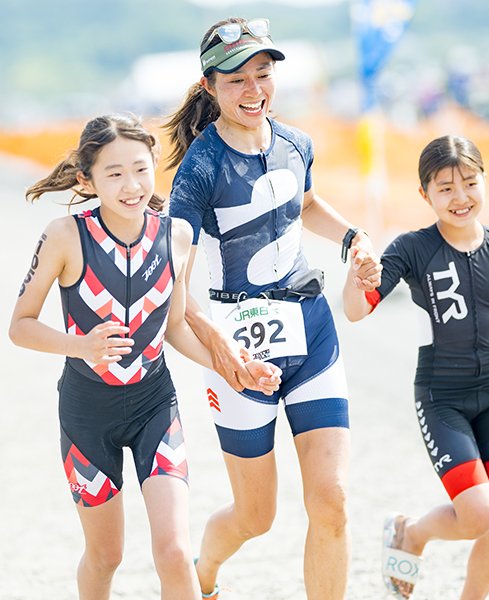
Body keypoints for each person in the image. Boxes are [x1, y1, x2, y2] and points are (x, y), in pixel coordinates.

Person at [8, 114, 283, 600]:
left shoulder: (175, 235)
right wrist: (80, 344)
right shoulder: (65, 236)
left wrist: (235, 369)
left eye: (139, 168)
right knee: (105, 556)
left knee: (174, 552)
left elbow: (174, 325)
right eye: (113, 173)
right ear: (86, 179)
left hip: (155, 404)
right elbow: (20, 326)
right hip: (87, 413)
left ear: (156, 163)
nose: (130, 185)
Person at [163, 17, 381, 600]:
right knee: (257, 517)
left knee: (331, 501)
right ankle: (203, 571)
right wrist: (214, 349)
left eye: (263, 74)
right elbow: (174, 278)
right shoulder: (200, 168)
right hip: (240, 348)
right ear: (209, 86)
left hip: (312, 332)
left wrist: (352, 238)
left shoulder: (296, 143)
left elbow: (305, 202)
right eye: (236, 79)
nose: (253, 89)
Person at [342, 135, 489, 600]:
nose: (461, 198)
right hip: (441, 398)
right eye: (446, 188)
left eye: (470, 183)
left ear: (484, 181)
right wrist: (357, 278)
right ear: (425, 195)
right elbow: (356, 310)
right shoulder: (413, 248)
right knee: (479, 514)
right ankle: (410, 533)